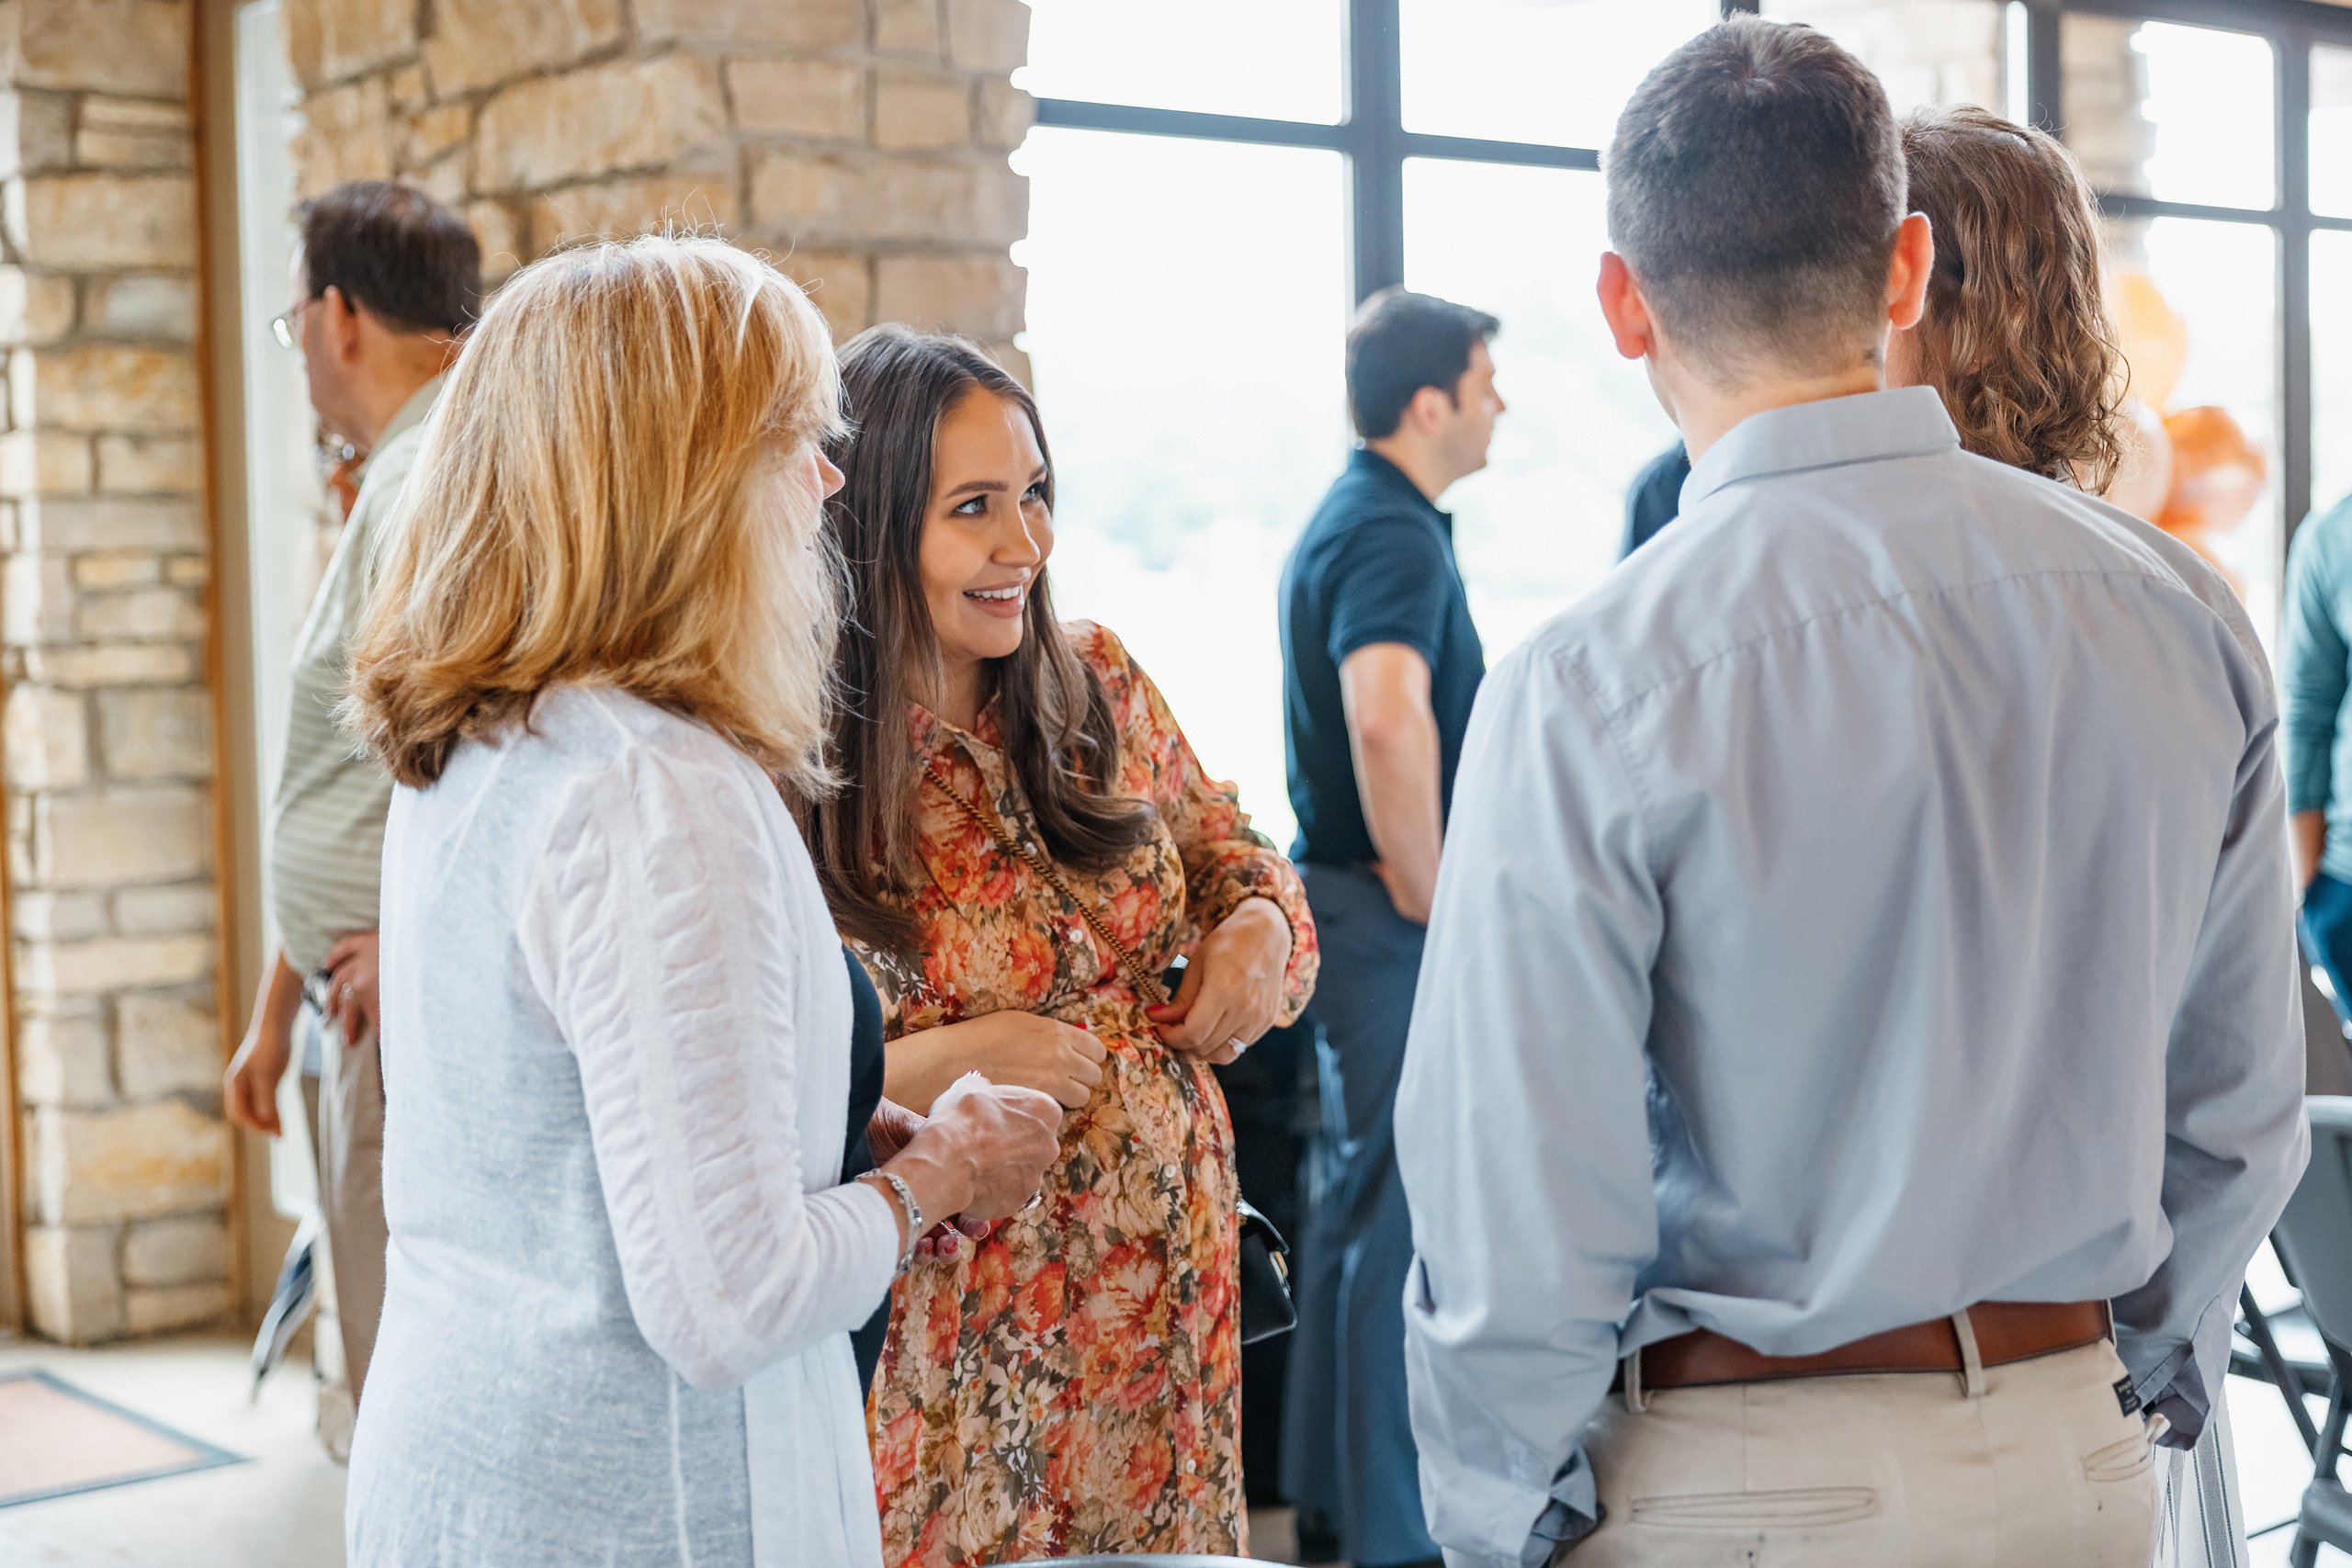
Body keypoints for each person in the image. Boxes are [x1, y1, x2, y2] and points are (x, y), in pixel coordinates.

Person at [1396, 20, 2308, 1567]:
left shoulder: (1589, 682)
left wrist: (1506, 1513)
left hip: (1740, 1478)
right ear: (1903, 269)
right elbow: (2236, 1110)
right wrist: (2126, 1377)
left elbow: (1522, 1197)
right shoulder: (2180, 607)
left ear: (1623, 304)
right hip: (2077, 1461)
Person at [338, 237, 1063, 1567]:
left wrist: (835, 1128)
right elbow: (730, 1298)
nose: (829, 481)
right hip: (635, 1507)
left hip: (465, 1463)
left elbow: (566, 1128)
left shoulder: (497, 741)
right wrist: (943, 1170)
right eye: (795, 437)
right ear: (676, 484)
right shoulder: (655, 791)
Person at [799, 325, 1318, 1564]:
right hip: (963, 1356)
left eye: (1035, 496)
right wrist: (974, 1054)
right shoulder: (799, 766)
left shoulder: (1099, 684)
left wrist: (1258, 932)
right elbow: (760, 1081)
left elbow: (1242, 859)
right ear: (872, 525)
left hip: (1168, 1334)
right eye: (973, 508)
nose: (1023, 544)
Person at [1894, 106, 2250, 1565]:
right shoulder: (2189, 610)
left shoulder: (1752, 600)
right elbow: (2234, 1101)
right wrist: (2158, 1362)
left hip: (1799, 1394)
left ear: (1900, 285)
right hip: (2088, 1381)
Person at [220, 179, 475, 1448]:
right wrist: (278, 1017)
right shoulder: (404, 465)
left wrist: (408, 944)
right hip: (351, 991)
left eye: (293, 325)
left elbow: (481, 753)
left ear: (336, 315)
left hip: (393, 994)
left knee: (396, 1384)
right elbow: (358, 772)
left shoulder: (433, 465)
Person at [1277, 286, 1502, 1568]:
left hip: (1345, 905)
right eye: (1486, 385)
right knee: (1396, 1216)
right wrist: (1437, 892)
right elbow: (1383, 714)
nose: (1500, 408)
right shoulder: (1394, 537)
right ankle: (1393, 1535)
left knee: (1356, 1208)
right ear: (1432, 404)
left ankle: (1332, 1502)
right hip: (1383, 907)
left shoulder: (1359, 515)